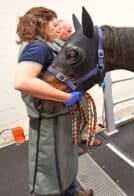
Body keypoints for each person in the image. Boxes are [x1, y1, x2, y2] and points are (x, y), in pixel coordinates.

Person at [14, 7, 93, 196]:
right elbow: (22, 81)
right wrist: (66, 97)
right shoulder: (36, 47)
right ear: (41, 24)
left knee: (65, 160)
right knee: (51, 169)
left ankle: (71, 191)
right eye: (53, 24)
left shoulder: (43, 45)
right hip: (50, 119)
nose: (56, 29)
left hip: (58, 116)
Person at [53, 19, 102, 155]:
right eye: (68, 31)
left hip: (78, 86)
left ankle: (87, 135)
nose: (71, 34)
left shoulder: (70, 44)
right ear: (58, 31)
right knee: (71, 118)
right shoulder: (54, 47)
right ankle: (72, 145)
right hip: (66, 88)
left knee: (87, 111)